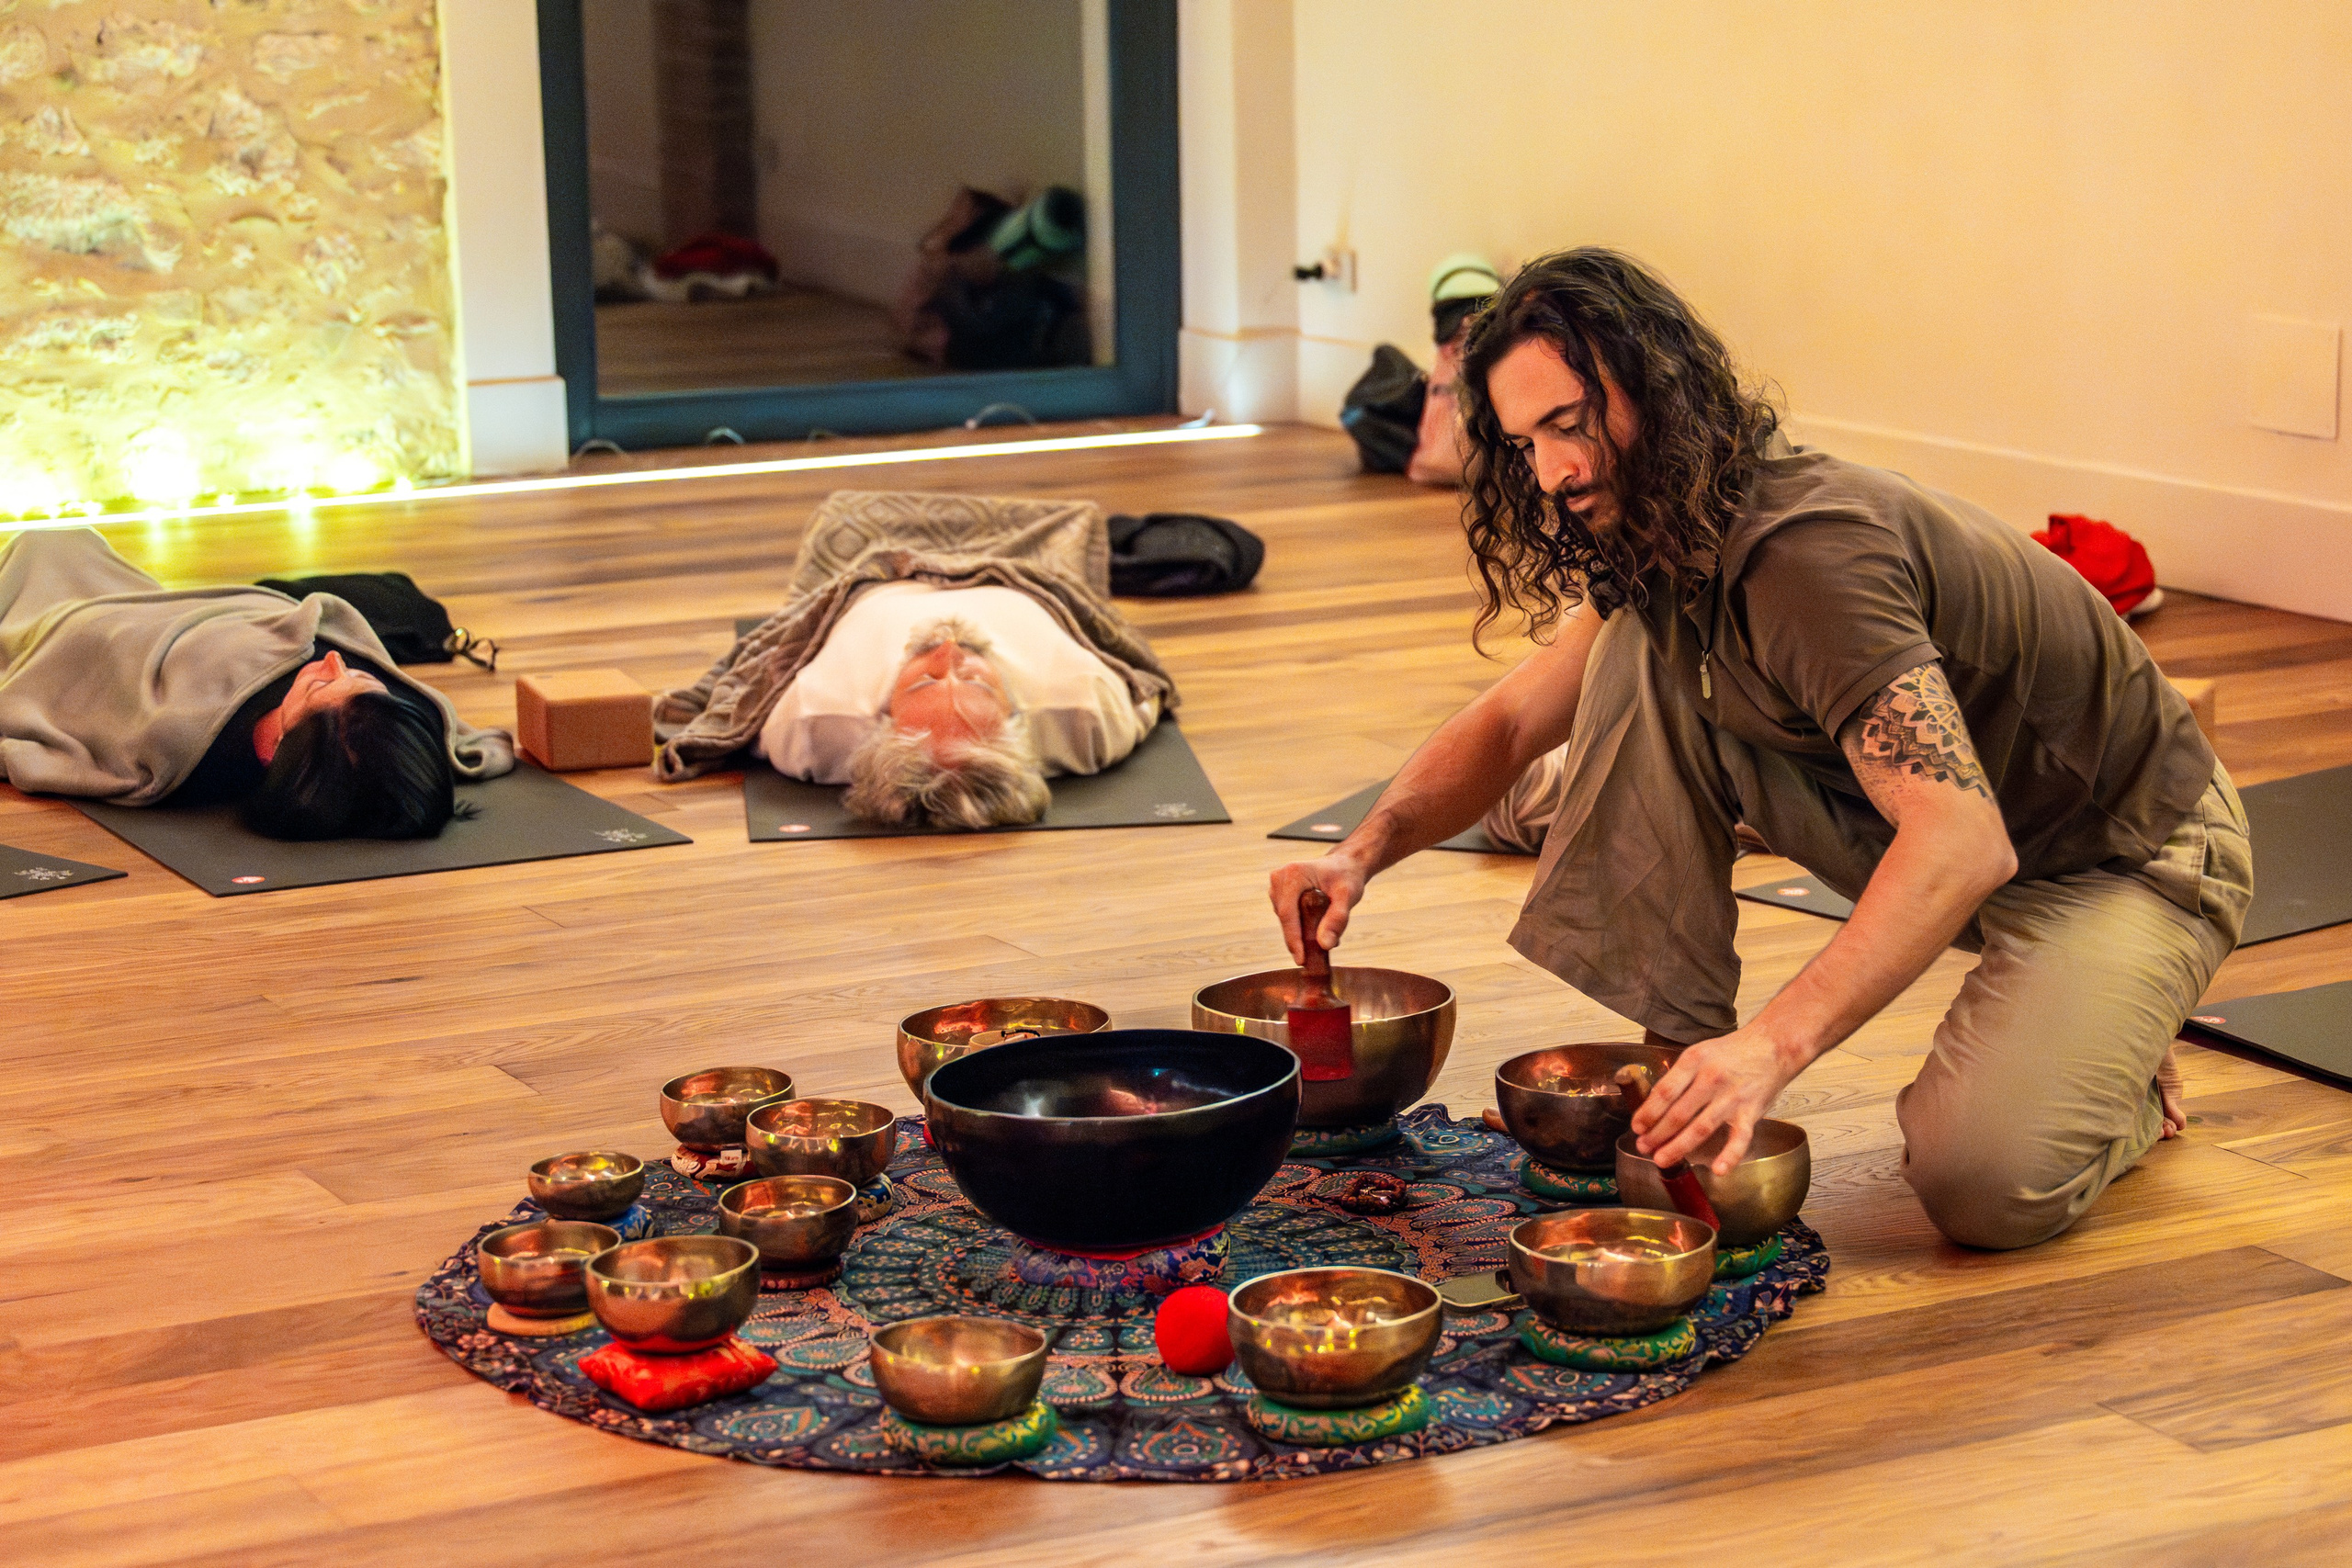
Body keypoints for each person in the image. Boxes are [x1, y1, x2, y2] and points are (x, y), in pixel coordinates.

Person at [1270, 248, 2249, 1252]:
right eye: (1525, 443)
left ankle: (2119, 1054)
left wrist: (1768, 1048)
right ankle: (1676, 1058)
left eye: (1569, 424)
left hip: (2125, 857)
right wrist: (1361, 850)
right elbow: (1517, 721)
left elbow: (1959, 843)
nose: (1552, 472)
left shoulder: (1808, 554)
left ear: (1656, 384)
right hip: (1966, 829)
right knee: (1639, 661)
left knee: (1981, 1185)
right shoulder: (1665, 523)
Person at [655, 491, 1176, 828]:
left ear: (881, 717)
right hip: (1026, 557)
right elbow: (1146, 689)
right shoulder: (1082, 713)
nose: (948, 653)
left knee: (841, 515)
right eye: (979, 684)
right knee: (1075, 518)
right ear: (1016, 717)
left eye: (922, 685)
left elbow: (753, 683)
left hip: (870, 567)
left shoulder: (817, 724)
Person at [0, 526, 514, 838]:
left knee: (50, 549)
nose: (333, 659)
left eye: (320, 688)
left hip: (97, 633)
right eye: (355, 675)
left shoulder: (177, 744)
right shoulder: (381, 722)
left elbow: (89, 671)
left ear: (280, 750)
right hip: (211, 615)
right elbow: (437, 739)